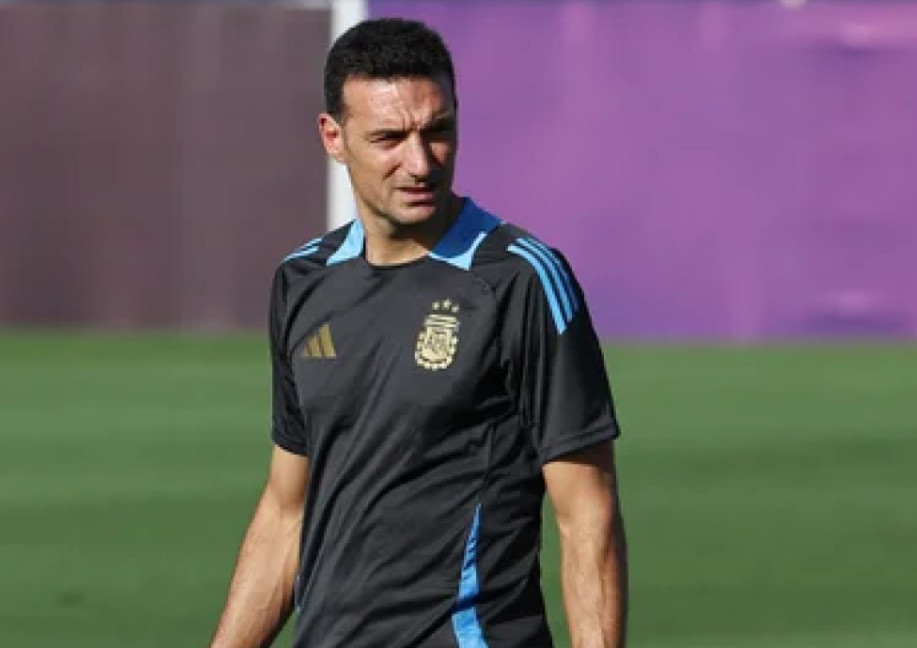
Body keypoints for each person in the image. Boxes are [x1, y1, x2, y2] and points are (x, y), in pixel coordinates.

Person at [208, 17, 627, 648]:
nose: (421, 161)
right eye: (389, 138)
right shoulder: (303, 281)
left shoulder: (519, 280)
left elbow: (586, 515)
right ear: (334, 136)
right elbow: (287, 508)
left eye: (438, 131)